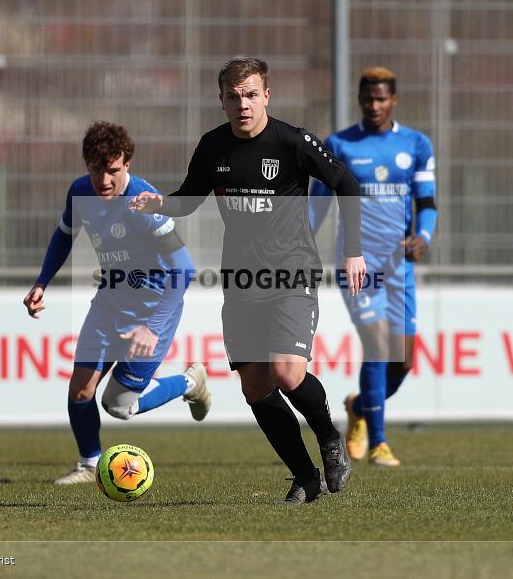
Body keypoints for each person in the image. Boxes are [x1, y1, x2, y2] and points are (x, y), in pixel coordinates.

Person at [129, 57, 366, 504]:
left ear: (266, 96)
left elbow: (347, 183)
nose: (244, 104)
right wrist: (157, 204)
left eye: (252, 94)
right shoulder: (212, 147)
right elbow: (188, 201)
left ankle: (330, 439)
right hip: (241, 281)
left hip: (292, 273)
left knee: (286, 371)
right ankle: (305, 477)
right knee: (255, 386)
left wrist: (353, 251)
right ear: (222, 101)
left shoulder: (292, 142)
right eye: (234, 96)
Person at [24, 121, 211, 485]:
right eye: (97, 169)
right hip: (110, 299)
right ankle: (90, 464)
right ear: (86, 164)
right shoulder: (80, 191)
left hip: (154, 307)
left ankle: (190, 382)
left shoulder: (142, 202)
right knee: (80, 389)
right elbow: (64, 236)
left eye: (113, 170)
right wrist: (41, 283)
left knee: (119, 405)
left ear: (127, 164)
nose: (104, 179)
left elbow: (184, 270)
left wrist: (152, 327)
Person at [309, 66, 437, 467]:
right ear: (360, 100)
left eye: (381, 99)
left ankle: (360, 407)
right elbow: (317, 205)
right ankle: (380, 443)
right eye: (368, 99)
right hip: (358, 264)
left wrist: (424, 237)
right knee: (378, 346)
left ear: (393, 100)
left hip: (400, 267)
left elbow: (427, 204)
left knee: (403, 362)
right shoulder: (340, 145)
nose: (374, 105)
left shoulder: (416, 144)